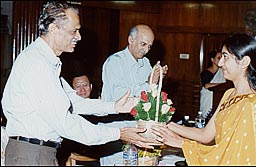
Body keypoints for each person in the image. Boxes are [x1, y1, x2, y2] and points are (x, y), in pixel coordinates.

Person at [1, 1, 160, 166]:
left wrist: (114, 107)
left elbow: (74, 103)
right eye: (74, 31)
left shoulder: (47, 62)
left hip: (39, 153)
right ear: (54, 29)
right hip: (31, 155)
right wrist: (117, 133)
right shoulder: (37, 64)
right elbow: (65, 123)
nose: (79, 36)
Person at [152, 33, 256, 166]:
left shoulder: (250, 103)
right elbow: (206, 134)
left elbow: (231, 155)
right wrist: (166, 125)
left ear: (244, 62)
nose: (220, 62)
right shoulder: (229, 94)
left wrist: (180, 143)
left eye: (225, 57)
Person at [100, 24, 168, 165]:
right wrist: (149, 83)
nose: (146, 50)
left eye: (149, 46)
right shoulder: (114, 62)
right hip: (116, 126)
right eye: (143, 44)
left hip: (137, 125)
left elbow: (150, 99)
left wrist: (157, 82)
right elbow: (119, 98)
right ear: (131, 39)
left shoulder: (146, 63)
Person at [199, 49, 226, 120]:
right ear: (212, 59)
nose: (221, 60)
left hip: (218, 99)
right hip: (208, 98)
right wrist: (222, 85)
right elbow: (206, 85)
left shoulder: (223, 72)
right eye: (218, 58)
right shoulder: (206, 73)